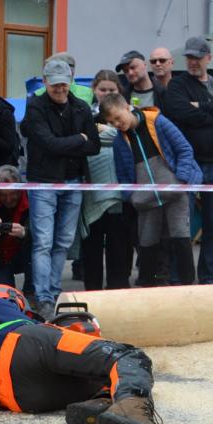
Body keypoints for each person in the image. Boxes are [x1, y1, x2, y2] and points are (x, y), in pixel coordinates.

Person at [0, 284, 180, 424]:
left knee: (101, 371)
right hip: (21, 346)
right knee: (128, 357)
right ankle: (131, 407)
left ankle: (101, 402)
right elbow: (35, 328)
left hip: (19, 397)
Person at [22, 58, 101, 318]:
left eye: (64, 84)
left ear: (70, 82)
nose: (60, 89)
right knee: (43, 242)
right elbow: (49, 144)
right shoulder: (35, 107)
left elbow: (94, 146)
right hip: (44, 181)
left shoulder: (81, 107)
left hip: (74, 180)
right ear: (45, 82)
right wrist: (79, 139)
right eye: (55, 84)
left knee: (63, 242)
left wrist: (68, 144)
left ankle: (54, 293)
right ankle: (43, 296)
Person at [101, 91, 202, 288]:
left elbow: (184, 149)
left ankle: (188, 284)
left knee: (181, 238)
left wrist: (180, 179)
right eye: (111, 122)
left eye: (118, 118)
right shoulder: (118, 141)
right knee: (147, 243)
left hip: (175, 194)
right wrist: (132, 196)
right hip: (145, 200)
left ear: (127, 107)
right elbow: (122, 173)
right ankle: (147, 285)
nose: (117, 124)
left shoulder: (158, 121)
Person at [163, 36, 213, 283]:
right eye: (189, 57)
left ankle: (207, 277)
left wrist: (202, 106)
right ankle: (179, 278)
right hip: (188, 162)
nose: (192, 62)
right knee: (181, 223)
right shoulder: (177, 85)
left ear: (209, 58)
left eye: (197, 57)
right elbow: (182, 113)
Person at [79, 70, 131, 293]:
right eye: (103, 89)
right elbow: (82, 139)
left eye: (112, 89)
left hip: (119, 193)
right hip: (92, 191)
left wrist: (103, 131)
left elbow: (123, 134)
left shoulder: (125, 116)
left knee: (119, 244)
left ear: (119, 92)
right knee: (92, 244)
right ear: (94, 90)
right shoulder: (85, 114)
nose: (107, 93)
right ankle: (92, 291)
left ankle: (117, 289)